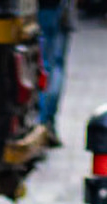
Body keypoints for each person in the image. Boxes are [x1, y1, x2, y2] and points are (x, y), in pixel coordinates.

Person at [37, 0, 75, 143]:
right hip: (61, 9)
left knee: (46, 64)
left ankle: (42, 121)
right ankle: (48, 122)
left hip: (43, 8)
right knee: (56, 65)